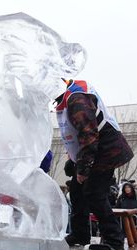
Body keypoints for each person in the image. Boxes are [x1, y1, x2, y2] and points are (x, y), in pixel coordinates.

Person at [55, 79, 134, 250]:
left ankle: (114, 241)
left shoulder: (76, 100)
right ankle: (80, 233)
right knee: (76, 189)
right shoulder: (67, 99)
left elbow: (88, 134)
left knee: (93, 192)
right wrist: (73, 161)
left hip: (105, 150)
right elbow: (75, 134)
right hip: (93, 150)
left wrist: (83, 168)